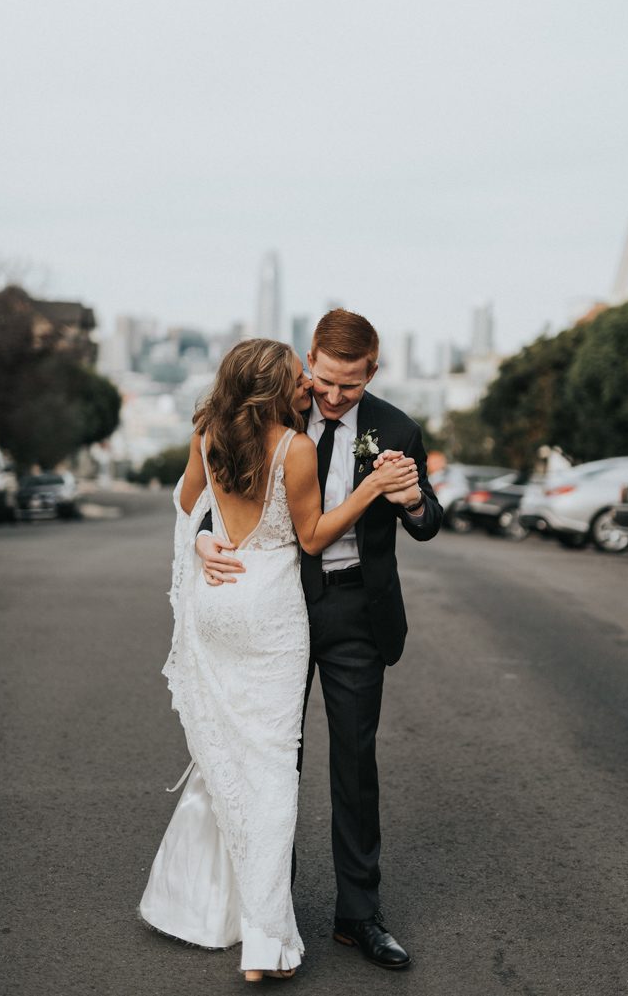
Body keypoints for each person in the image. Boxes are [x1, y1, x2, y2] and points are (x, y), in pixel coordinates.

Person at [138, 338, 418, 984]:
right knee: (268, 770)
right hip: (270, 611)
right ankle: (263, 933)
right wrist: (374, 484)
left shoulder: (209, 430)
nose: (311, 391)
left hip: (225, 601)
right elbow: (313, 534)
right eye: (302, 379)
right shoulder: (292, 446)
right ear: (281, 384)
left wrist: (209, 537)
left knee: (234, 756)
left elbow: (188, 504)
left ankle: (230, 904)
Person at [197, 310, 443, 970]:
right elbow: (210, 488)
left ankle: (359, 916)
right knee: (274, 762)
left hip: (356, 610)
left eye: (350, 387)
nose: (332, 397)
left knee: (355, 764)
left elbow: (427, 520)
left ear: (372, 371)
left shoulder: (396, 429)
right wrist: (200, 536)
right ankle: (267, 911)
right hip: (279, 606)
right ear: (309, 359)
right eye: (325, 381)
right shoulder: (274, 408)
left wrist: (414, 496)